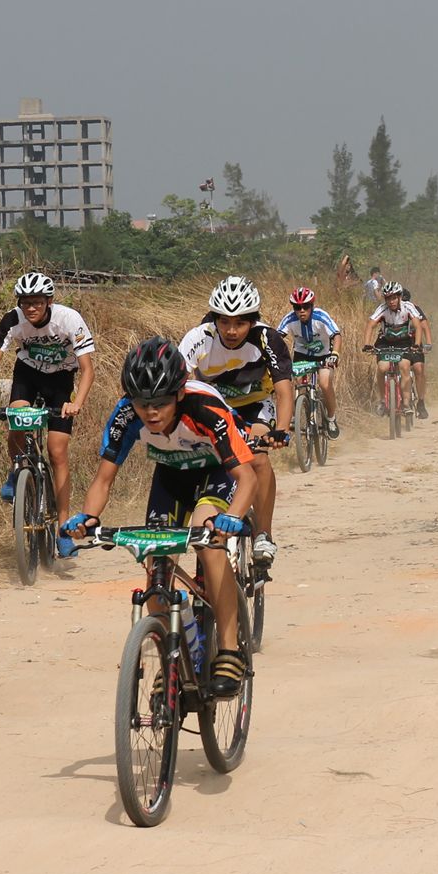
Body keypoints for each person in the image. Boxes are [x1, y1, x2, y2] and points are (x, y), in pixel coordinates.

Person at [64, 339, 260, 698]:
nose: (151, 413)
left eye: (161, 403)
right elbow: (103, 479)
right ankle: (174, 656)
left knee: (208, 541)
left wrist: (232, 517)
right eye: (142, 403)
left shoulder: (204, 408)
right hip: (170, 477)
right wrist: (89, 517)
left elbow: (247, 478)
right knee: (156, 560)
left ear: (180, 394)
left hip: (216, 472)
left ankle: (230, 650)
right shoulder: (126, 415)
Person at [0, 271, 97, 555]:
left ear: (49, 301)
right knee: (16, 419)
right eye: (25, 302)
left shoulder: (69, 319)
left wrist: (76, 403)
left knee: (57, 451)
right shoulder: (11, 320)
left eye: (37, 302)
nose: (31, 308)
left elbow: (88, 369)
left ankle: (63, 529)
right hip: (27, 374)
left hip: (61, 379)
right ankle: (17, 470)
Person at [178, 275, 293, 570]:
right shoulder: (198, 337)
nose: (231, 330)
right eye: (224, 321)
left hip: (255, 407)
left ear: (252, 321)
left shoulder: (268, 338)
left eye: (240, 323)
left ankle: (264, 534)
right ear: (214, 318)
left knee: (257, 457)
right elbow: (178, 384)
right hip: (213, 409)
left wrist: (281, 429)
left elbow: (283, 389)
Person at [275, 286, 343, 438]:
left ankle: (331, 418)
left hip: (324, 355)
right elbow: (276, 338)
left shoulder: (321, 316)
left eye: (305, 306)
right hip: (302, 355)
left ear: (312, 306)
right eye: (297, 307)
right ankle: (296, 413)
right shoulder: (290, 319)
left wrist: (335, 354)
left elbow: (337, 335)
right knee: (294, 383)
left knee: (324, 383)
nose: (301, 311)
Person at [361, 280, 429, 418]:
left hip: (404, 342)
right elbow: (370, 325)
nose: (391, 301)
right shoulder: (382, 309)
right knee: (382, 368)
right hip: (385, 342)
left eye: (394, 298)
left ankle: (406, 403)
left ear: (399, 297)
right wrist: (367, 344)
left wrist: (416, 344)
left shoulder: (408, 307)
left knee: (404, 366)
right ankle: (382, 401)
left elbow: (418, 326)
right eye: (388, 298)